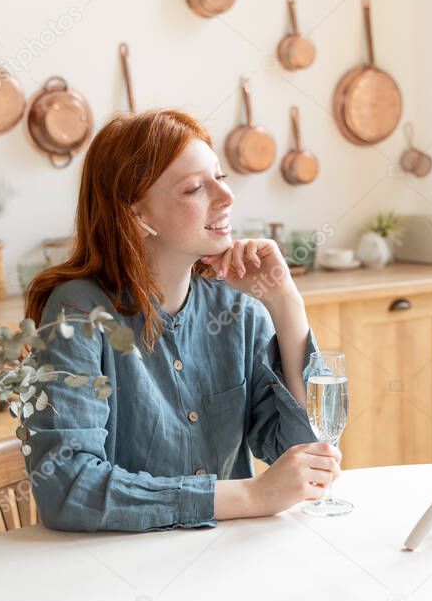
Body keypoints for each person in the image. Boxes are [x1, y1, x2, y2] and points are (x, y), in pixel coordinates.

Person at [22, 109, 341, 532]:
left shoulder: (238, 307)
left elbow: (307, 455)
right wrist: (250, 494)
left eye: (221, 178)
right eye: (194, 188)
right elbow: (69, 489)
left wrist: (285, 303)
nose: (226, 198)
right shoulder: (77, 313)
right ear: (136, 215)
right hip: (114, 571)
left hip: (224, 562)